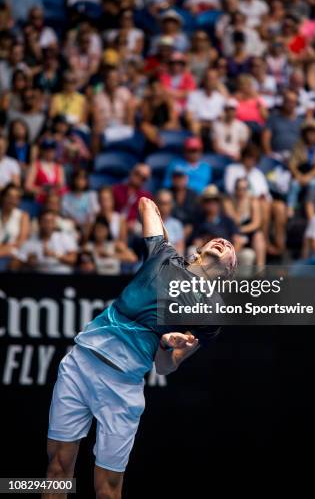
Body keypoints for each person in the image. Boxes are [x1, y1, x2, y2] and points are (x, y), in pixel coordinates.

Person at [43, 196, 236, 498]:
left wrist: (168, 342)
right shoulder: (164, 255)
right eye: (218, 241)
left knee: (107, 489)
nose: (224, 243)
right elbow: (146, 203)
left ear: (227, 274)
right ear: (199, 249)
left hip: (122, 389)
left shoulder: (211, 312)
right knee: (56, 469)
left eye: (230, 250)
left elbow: (165, 365)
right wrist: (163, 242)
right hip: (79, 365)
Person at [12, 209, 78, 274]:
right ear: (39, 223)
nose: (48, 225)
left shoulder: (64, 237)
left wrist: (54, 255)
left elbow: (73, 260)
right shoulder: (30, 241)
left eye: (51, 221)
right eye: (45, 221)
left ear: (55, 223)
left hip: (62, 277)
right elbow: (13, 266)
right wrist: (27, 262)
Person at [287, 119, 315, 218]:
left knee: (313, 185)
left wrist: (308, 177)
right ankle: (290, 207)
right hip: (300, 173)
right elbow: (292, 164)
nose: (311, 135)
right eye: (310, 132)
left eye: (314, 133)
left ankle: (309, 208)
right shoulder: (298, 145)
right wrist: (299, 175)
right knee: (294, 184)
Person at [223, 177, 266, 270]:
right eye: (239, 188)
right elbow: (234, 221)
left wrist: (241, 229)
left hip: (247, 230)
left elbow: (256, 223)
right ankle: (228, 270)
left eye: (244, 188)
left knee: (259, 236)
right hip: (233, 231)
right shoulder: (229, 201)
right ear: (235, 189)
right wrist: (240, 206)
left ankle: (260, 269)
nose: (241, 191)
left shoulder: (253, 201)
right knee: (238, 238)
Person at [0, 183, 29, 269]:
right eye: (9, 196)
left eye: (16, 197)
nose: (12, 200)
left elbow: (21, 241)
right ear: (3, 197)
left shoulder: (23, 216)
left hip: (13, 252)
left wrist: (6, 249)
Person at [155, 189, 185, 254]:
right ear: (156, 204)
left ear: (171, 205)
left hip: (171, 260)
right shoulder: (151, 222)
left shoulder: (177, 224)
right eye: (162, 203)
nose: (165, 207)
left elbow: (180, 249)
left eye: (168, 203)